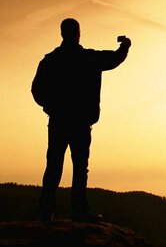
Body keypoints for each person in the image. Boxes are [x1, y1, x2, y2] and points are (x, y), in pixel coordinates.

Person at [32, 18, 131, 223]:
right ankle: (79, 211)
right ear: (77, 33)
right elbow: (114, 59)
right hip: (79, 122)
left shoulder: (51, 60)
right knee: (79, 167)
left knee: (54, 166)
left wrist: (50, 107)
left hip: (59, 121)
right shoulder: (87, 58)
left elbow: (37, 90)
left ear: (62, 33)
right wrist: (125, 46)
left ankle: (46, 211)